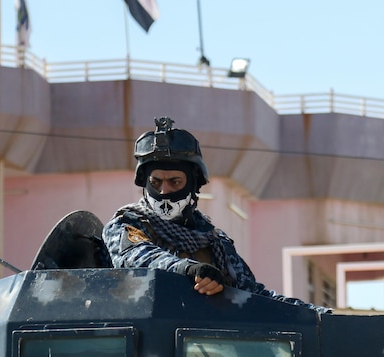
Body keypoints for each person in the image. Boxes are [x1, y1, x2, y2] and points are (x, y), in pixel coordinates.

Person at [102, 116, 331, 314]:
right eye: (155, 182)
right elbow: (140, 258)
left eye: (175, 182)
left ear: (192, 186)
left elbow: (255, 296)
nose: (164, 191)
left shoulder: (215, 242)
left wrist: (316, 314)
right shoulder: (127, 224)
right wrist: (190, 270)